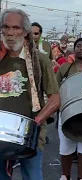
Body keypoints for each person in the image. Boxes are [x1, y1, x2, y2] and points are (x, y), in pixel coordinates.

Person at [0, 8, 60, 180]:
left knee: (32, 176)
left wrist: (37, 122)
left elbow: (55, 99)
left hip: (29, 133)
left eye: (16, 28)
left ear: (25, 31)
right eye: (6, 27)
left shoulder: (39, 59)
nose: (10, 33)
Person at [56, 38, 82, 180]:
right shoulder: (65, 68)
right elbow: (55, 86)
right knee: (66, 148)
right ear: (74, 49)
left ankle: (81, 177)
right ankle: (65, 175)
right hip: (68, 113)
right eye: (79, 46)